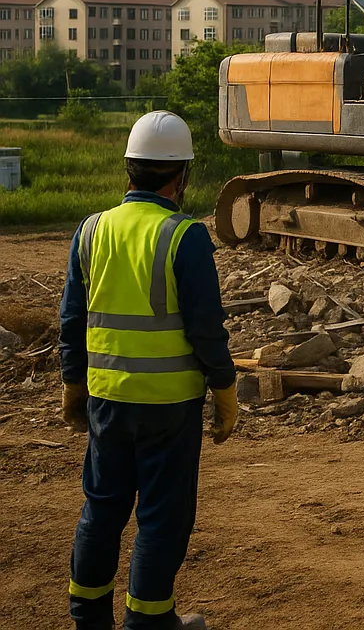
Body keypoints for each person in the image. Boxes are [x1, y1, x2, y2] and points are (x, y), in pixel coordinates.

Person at [58, 111, 239, 630]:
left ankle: (88, 619)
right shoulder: (185, 236)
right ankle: (148, 622)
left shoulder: (91, 230)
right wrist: (224, 390)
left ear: (129, 169)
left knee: (101, 511)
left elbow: (72, 320)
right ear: (181, 176)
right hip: (169, 407)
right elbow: (206, 329)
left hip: (107, 400)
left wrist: (73, 385)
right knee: (162, 518)